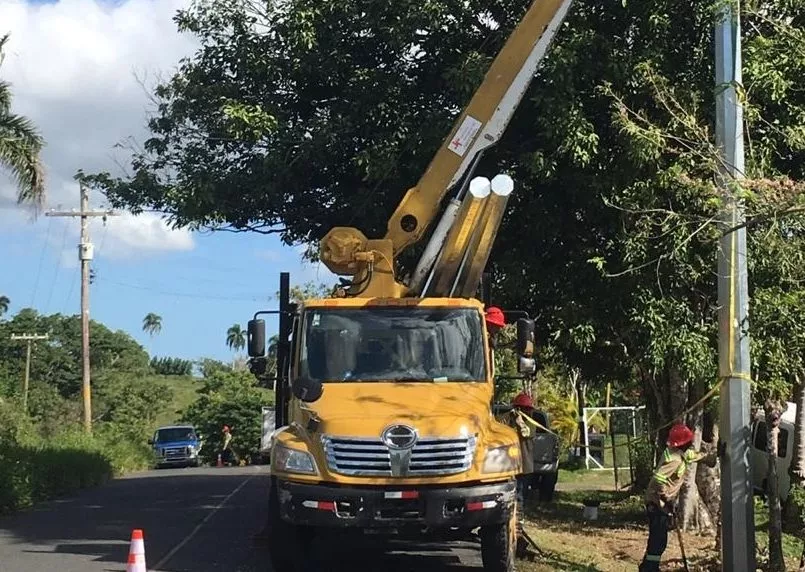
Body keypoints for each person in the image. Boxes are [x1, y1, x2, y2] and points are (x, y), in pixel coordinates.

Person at [638, 423, 717, 571]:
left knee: (659, 538)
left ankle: (647, 566)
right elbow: (658, 480)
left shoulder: (679, 453)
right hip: (657, 502)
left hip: (661, 502)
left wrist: (710, 457)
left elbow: (694, 456)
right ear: (685, 443)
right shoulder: (674, 460)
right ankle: (650, 568)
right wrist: (666, 497)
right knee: (658, 540)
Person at [500, 391, 538, 557]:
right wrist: (510, 418)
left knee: (520, 499)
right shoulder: (507, 420)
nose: (525, 411)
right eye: (521, 409)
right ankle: (508, 527)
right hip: (508, 468)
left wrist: (520, 421)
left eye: (526, 409)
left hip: (523, 469)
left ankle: (518, 529)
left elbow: (525, 433)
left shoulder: (530, 424)